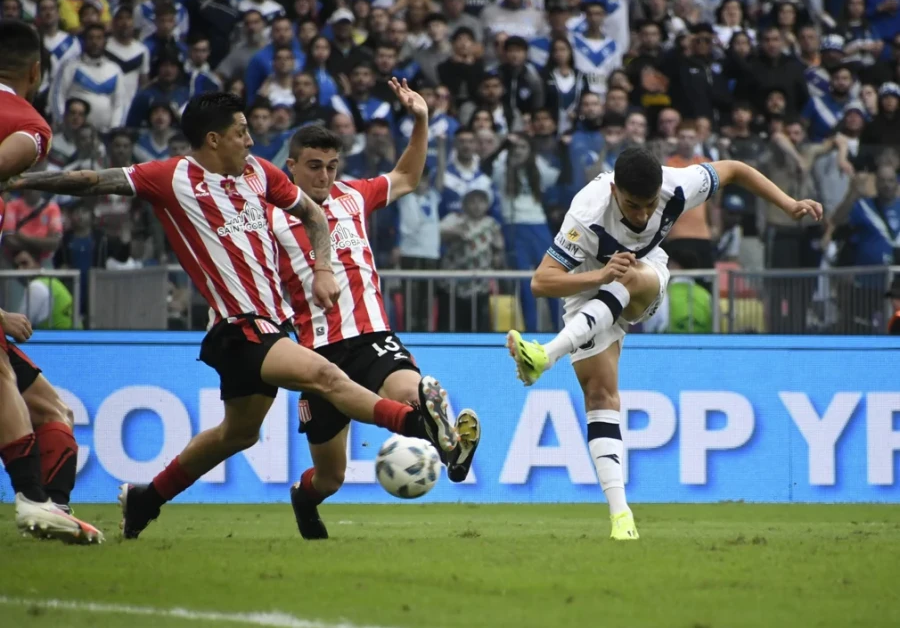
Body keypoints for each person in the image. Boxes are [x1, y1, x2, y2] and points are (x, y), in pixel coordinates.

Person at [4, 90, 460, 540]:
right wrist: (23, 180)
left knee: (237, 434)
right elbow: (91, 181)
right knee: (326, 376)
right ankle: (415, 423)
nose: (251, 141)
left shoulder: (260, 175)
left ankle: (147, 498)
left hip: (272, 325)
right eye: (242, 132)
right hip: (238, 327)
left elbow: (315, 217)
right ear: (213, 139)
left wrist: (322, 267)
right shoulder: (170, 177)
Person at [506, 147, 823, 540]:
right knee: (601, 395)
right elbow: (542, 282)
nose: (641, 216)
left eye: (648, 205)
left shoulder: (677, 186)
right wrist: (598, 277)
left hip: (644, 274)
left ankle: (546, 354)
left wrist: (790, 203)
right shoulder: (586, 212)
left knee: (626, 276)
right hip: (589, 283)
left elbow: (736, 170)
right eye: (631, 206)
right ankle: (622, 518)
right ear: (613, 191)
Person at [268, 82, 480, 540]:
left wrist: (421, 120)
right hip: (315, 354)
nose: (324, 176)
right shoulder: (270, 216)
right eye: (314, 167)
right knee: (330, 479)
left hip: (371, 337)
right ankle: (303, 499)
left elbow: (406, 178)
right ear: (292, 166)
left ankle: (445, 443)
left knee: (414, 390)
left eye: (331, 166)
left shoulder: (353, 196)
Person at [0, 19, 102, 544]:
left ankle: (52, 507)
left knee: (49, 406)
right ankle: (34, 502)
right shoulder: (30, 125)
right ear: (36, 71)